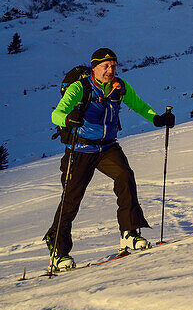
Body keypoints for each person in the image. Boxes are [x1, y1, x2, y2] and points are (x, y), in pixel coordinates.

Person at [44, 48, 175, 271]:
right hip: (80, 149)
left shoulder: (120, 86)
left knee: (125, 176)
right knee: (72, 197)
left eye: (113, 65)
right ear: (94, 67)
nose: (110, 70)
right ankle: (58, 249)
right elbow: (56, 114)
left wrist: (156, 119)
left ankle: (129, 232)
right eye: (105, 66)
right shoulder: (80, 88)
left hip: (107, 147)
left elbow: (139, 105)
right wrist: (68, 118)